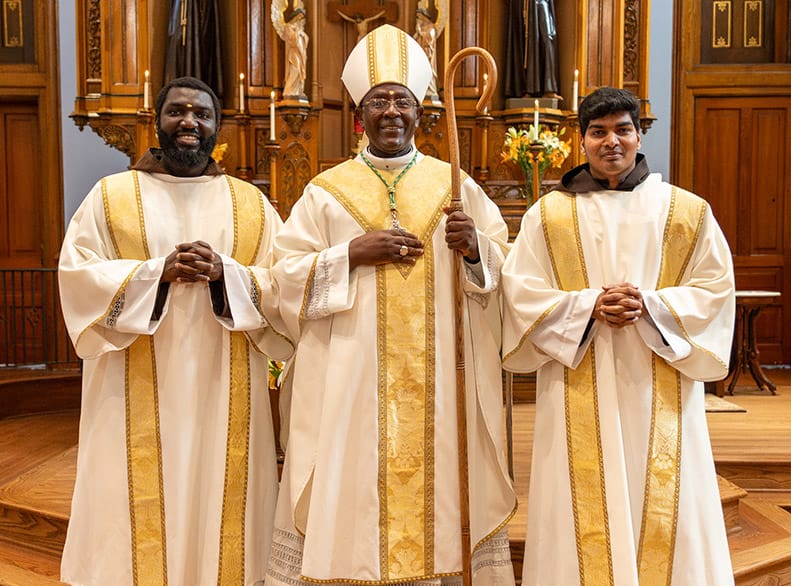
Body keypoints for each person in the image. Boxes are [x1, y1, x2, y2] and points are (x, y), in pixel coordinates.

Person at [266, 25, 516, 586]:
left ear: (421, 111)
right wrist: (350, 254)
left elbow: (505, 271)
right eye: (378, 100)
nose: (391, 111)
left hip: (439, 382)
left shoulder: (456, 186)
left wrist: (476, 249)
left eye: (402, 99)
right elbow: (282, 279)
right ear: (360, 114)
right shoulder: (326, 191)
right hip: (349, 379)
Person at [58, 76, 292, 586]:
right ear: (157, 121)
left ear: (217, 127)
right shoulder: (111, 196)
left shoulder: (249, 203)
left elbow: (283, 285)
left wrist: (224, 274)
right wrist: (153, 274)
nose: (190, 122)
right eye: (178, 112)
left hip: (225, 390)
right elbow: (77, 277)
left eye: (202, 114)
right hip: (129, 389)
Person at [501, 87, 736, 585]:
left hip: (660, 379)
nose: (611, 141)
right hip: (578, 378)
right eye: (598, 131)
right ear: (581, 140)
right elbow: (520, 292)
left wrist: (649, 306)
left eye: (622, 129)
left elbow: (715, 289)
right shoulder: (549, 214)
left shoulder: (686, 211)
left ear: (639, 134)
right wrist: (588, 305)